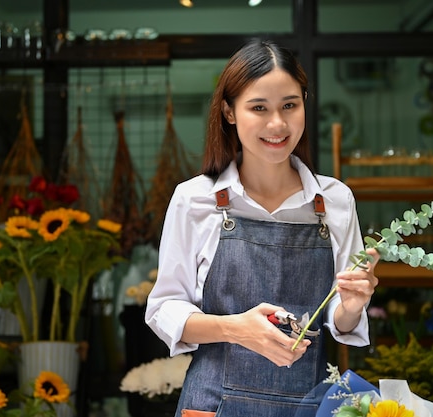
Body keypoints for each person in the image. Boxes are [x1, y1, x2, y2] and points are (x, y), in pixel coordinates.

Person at [145, 38, 379, 417]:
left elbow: (340, 319)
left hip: (309, 406)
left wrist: (351, 306)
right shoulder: (195, 200)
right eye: (259, 108)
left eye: (290, 105)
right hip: (212, 406)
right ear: (229, 112)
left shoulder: (334, 201)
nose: (278, 124)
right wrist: (235, 328)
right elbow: (164, 309)